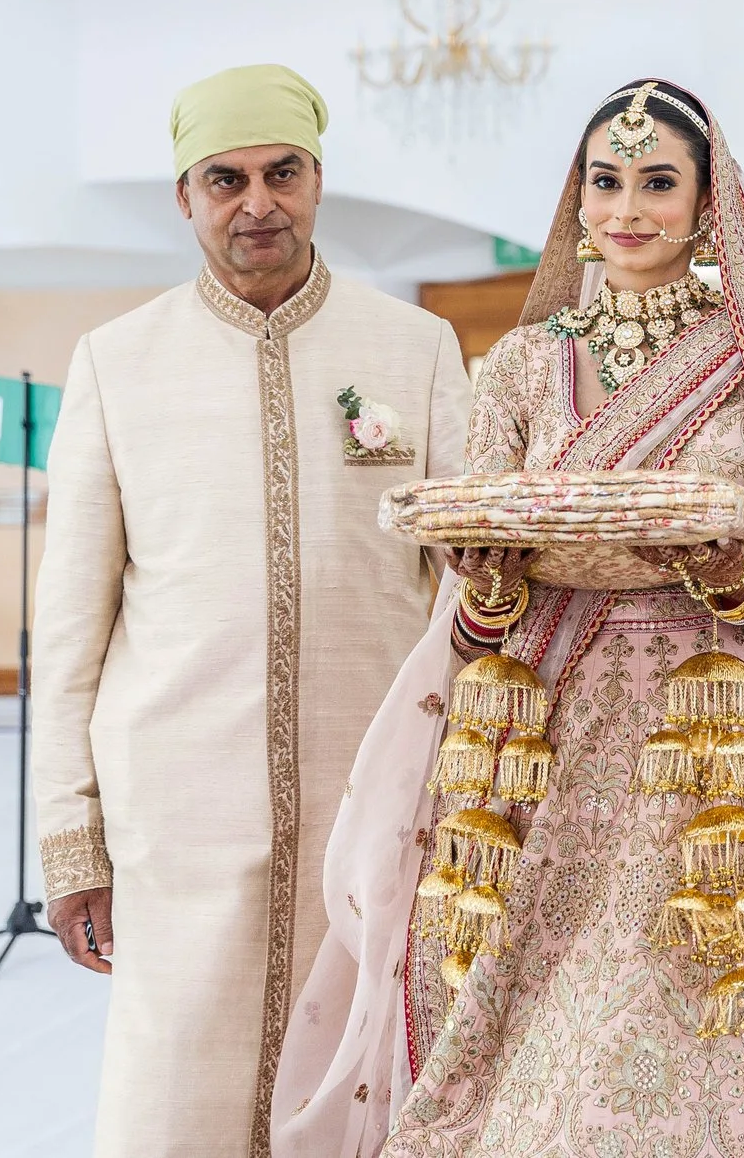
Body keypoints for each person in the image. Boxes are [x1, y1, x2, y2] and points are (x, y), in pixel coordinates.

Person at [276, 79, 744, 1158]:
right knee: (544, 1026)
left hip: (719, 749)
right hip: (551, 735)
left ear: (707, 202)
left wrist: (741, 585)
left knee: (720, 1010)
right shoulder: (525, 364)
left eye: (656, 181)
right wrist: (491, 580)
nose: (626, 205)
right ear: (574, 194)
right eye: (604, 179)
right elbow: (482, 589)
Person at [32, 64, 474, 1158]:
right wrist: (70, 837)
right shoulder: (117, 362)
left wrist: (464, 784)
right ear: (185, 197)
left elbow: (467, 590)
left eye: (283, 171)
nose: (256, 201)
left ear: (319, 179)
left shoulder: (413, 349)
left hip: (371, 796)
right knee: (171, 1085)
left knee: (370, 1073)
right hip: (176, 806)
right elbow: (71, 628)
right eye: (224, 178)